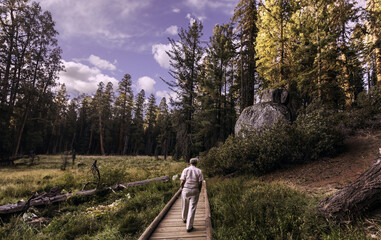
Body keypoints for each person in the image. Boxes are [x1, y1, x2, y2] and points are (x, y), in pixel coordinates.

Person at [180, 157, 204, 232]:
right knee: (192, 208)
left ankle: (184, 218)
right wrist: (199, 190)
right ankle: (189, 227)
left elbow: (182, 180)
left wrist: (182, 188)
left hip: (186, 189)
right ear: (196, 163)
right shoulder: (199, 171)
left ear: (189, 163)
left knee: (185, 205)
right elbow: (200, 182)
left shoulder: (185, 170)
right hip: (195, 189)